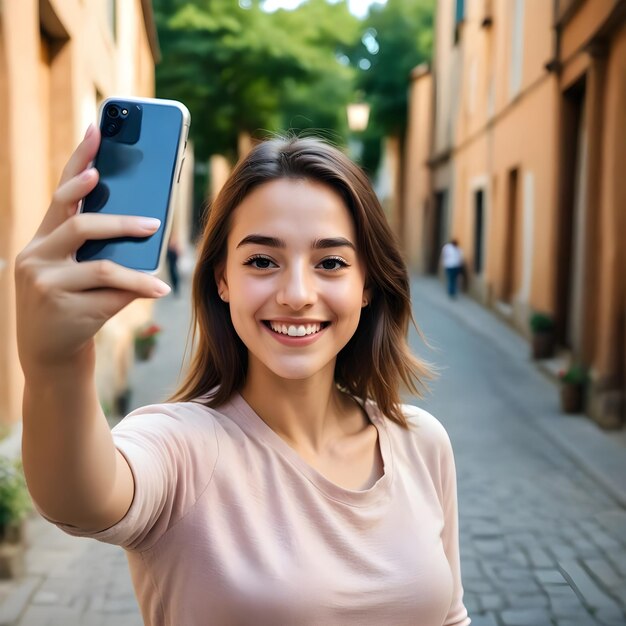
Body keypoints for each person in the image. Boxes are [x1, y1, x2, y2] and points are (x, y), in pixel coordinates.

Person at [15, 126, 470, 626]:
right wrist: (55, 366)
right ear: (223, 280)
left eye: (332, 262)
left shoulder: (422, 442)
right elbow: (80, 501)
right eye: (261, 261)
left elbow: (450, 616)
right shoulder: (183, 445)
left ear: (367, 284)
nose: (297, 293)